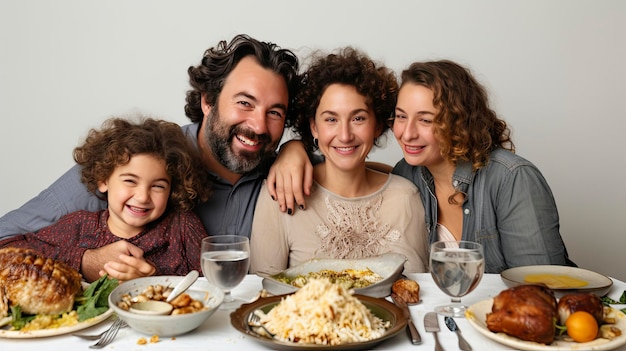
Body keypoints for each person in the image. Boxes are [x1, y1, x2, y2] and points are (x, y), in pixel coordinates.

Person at [0, 34, 300, 280]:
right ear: (208, 101)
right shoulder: (136, 159)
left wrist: (295, 148)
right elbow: (6, 240)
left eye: (275, 112)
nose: (260, 126)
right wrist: (85, 261)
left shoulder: (289, 171)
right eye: (245, 102)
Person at [267, 60, 575, 274]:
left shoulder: (511, 179)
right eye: (401, 116)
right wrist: (294, 150)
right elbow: (352, 168)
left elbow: (544, 287)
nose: (407, 133)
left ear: (459, 122)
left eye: (426, 120)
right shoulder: (410, 174)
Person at [249, 48, 429, 275]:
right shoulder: (279, 194)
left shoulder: (406, 197)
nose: (345, 135)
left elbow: (420, 291)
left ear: (377, 125)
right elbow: (264, 294)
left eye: (358, 118)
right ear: (314, 126)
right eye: (331, 119)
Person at [0, 117, 211, 282]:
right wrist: (82, 260)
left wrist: (154, 282)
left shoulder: (182, 226)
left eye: (157, 186)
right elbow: (9, 250)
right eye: (130, 181)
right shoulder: (78, 226)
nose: (142, 196)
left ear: (172, 189)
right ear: (103, 180)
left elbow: (213, 283)